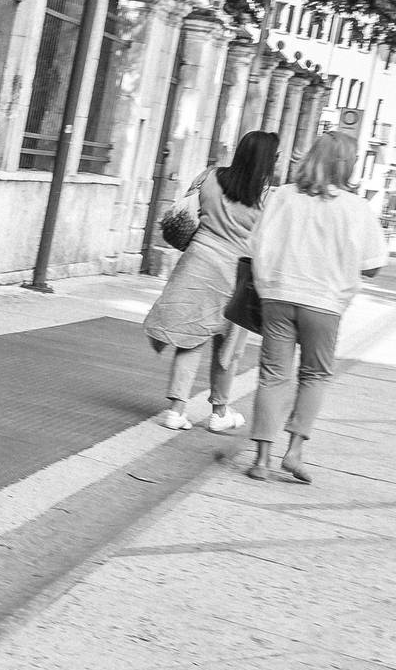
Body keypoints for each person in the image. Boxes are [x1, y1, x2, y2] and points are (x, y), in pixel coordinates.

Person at [243, 131, 388, 483]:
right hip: (324, 303)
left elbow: (257, 244)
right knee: (315, 375)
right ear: (347, 165)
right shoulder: (355, 208)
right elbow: (372, 265)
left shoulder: (282, 196)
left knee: (273, 374)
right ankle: (293, 452)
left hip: (278, 294)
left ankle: (261, 460)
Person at [143, 130, 279, 431]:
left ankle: (176, 410)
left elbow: (185, 210)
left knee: (190, 338)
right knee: (229, 348)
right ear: (269, 160)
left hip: (198, 263)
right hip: (239, 275)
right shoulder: (269, 196)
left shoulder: (210, 176)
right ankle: (219, 413)